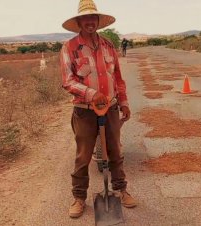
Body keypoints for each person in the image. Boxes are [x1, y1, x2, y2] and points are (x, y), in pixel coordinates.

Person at [60, 0, 137, 218]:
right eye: (85, 18)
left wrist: (123, 102)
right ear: (79, 22)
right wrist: (91, 94)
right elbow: (68, 81)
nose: (90, 21)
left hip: (111, 108)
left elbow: (118, 78)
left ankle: (121, 190)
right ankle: (78, 198)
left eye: (93, 18)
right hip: (84, 110)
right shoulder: (70, 48)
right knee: (83, 156)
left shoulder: (109, 46)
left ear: (98, 21)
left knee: (115, 150)